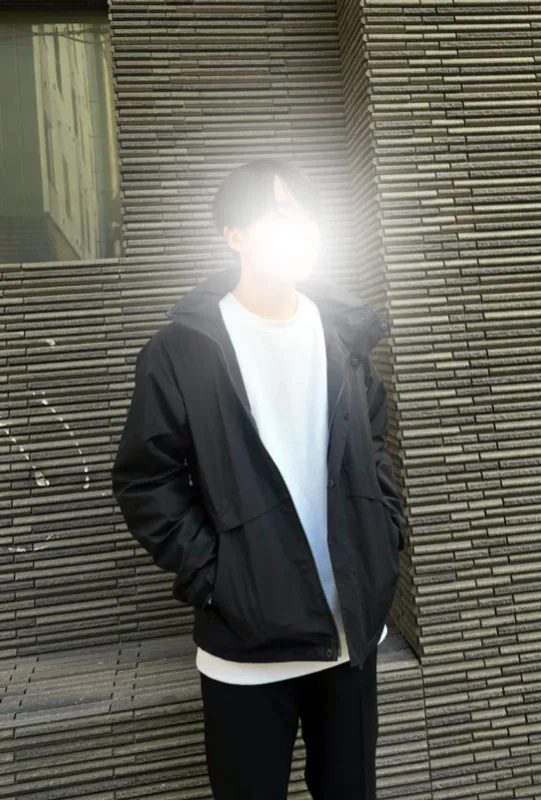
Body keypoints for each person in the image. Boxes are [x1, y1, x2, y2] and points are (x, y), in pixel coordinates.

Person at [111, 157, 406, 800]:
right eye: (278, 211)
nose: (296, 224)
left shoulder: (344, 335)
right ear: (234, 234)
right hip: (246, 650)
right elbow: (146, 478)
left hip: (351, 634)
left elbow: (372, 448)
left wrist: (382, 537)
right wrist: (216, 577)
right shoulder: (183, 348)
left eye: (304, 211)